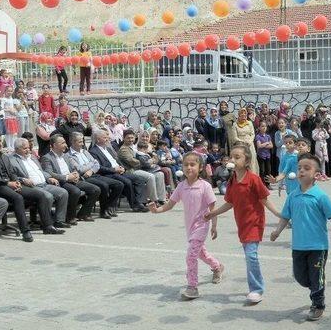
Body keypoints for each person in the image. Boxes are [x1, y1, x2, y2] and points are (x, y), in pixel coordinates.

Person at [270, 153, 331, 321]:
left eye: (306, 168)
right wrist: (277, 231)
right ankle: (317, 283)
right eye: (299, 168)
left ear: (316, 175)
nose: (301, 171)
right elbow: (285, 217)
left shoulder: (320, 196)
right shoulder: (292, 196)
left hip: (318, 246)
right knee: (300, 277)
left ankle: (318, 304)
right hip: (298, 246)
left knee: (315, 277)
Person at [205, 143, 280, 304]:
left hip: (254, 222)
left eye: (237, 157)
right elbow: (230, 203)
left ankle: (256, 289)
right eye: (231, 156)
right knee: (249, 256)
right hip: (242, 224)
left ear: (246, 162)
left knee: (251, 256)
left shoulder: (253, 179)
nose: (232, 159)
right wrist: (213, 213)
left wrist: (279, 215)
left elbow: (264, 200)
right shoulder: (232, 181)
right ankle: (256, 287)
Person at [149, 152, 223, 300]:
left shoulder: (205, 186)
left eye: (192, 164)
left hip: (202, 226)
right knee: (201, 253)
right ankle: (217, 267)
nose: (189, 167)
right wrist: (156, 210)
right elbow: (170, 204)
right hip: (190, 228)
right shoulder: (181, 186)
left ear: (200, 167)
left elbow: (213, 208)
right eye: (186, 164)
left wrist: (214, 226)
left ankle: (192, 286)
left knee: (191, 256)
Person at [0, 131, 62, 242]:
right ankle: (25, 231)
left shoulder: (4, 156)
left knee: (40, 195)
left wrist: (16, 181)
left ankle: (47, 226)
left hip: (12, 184)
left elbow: (12, 172)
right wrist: (7, 183)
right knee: (18, 198)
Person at [7, 137, 70, 231]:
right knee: (48, 196)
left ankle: (59, 220)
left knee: (63, 192)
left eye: (28, 147)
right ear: (17, 149)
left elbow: (41, 171)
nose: (28, 150)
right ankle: (46, 222)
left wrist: (49, 177)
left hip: (44, 184)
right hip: (31, 187)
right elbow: (12, 176)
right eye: (24, 148)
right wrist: (23, 179)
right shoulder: (11, 160)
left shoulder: (32, 157)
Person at [41, 134, 100, 223]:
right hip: (61, 182)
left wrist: (75, 174)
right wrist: (67, 177)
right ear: (54, 145)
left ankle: (83, 213)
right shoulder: (47, 157)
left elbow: (73, 168)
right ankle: (70, 216)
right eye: (62, 143)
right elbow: (49, 173)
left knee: (95, 189)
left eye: (65, 142)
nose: (66, 145)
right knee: (75, 191)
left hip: (73, 179)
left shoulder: (65, 156)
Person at [66, 131, 124, 219]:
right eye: (80, 142)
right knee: (103, 186)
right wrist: (91, 165)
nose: (82, 144)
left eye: (83, 141)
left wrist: (91, 170)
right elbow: (79, 169)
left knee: (119, 184)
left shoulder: (84, 152)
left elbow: (96, 164)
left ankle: (108, 206)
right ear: (73, 142)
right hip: (84, 177)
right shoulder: (69, 155)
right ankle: (103, 211)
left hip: (93, 174)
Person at [89, 130, 149, 212]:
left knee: (140, 179)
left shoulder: (108, 149)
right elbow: (98, 167)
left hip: (119, 171)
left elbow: (116, 160)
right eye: (105, 138)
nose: (107, 139)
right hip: (108, 174)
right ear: (98, 140)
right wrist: (114, 170)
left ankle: (139, 202)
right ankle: (134, 205)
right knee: (127, 182)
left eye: (107, 137)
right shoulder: (93, 151)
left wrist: (122, 167)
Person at [117, 129, 164, 206]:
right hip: (131, 170)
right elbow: (132, 162)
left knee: (160, 174)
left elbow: (149, 155)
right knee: (150, 176)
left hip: (140, 168)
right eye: (128, 138)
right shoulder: (123, 149)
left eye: (132, 138)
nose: (131, 140)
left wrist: (150, 159)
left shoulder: (134, 147)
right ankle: (154, 200)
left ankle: (161, 199)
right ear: (124, 138)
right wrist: (147, 161)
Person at [229, 108, 258, 174]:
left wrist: (250, 141)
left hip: (250, 145)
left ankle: (253, 176)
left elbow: (252, 134)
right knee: (243, 161)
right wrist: (243, 142)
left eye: (245, 115)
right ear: (239, 115)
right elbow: (234, 137)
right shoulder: (235, 124)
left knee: (252, 161)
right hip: (240, 145)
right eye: (241, 115)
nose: (243, 116)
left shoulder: (249, 123)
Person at [255, 121, 273, 187]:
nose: (264, 128)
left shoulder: (268, 136)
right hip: (261, 156)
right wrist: (266, 143)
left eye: (265, 126)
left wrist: (264, 145)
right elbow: (259, 146)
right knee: (262, 171)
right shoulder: (258, 136)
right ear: (259, 127)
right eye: (262, 126)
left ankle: (268, 184)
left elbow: (271, 146)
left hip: (267, 155)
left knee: (268, 170)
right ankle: (262, 184)